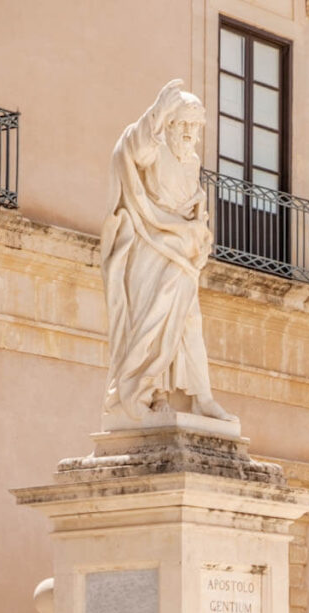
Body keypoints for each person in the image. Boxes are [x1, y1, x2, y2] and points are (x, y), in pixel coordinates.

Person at [101, 79, 236, 424]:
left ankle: (201, 396)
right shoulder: (154, 148)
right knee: (153, 319)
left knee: (189, 322)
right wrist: (157, 111)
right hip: (151, 248)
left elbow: (195, 206)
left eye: (196, 126)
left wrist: (199, 229)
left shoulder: (190, 161)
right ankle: (142, 391)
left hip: (183, 253)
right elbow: (133, 150)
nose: (191, 133)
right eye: (185, 124)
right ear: (170, 124)